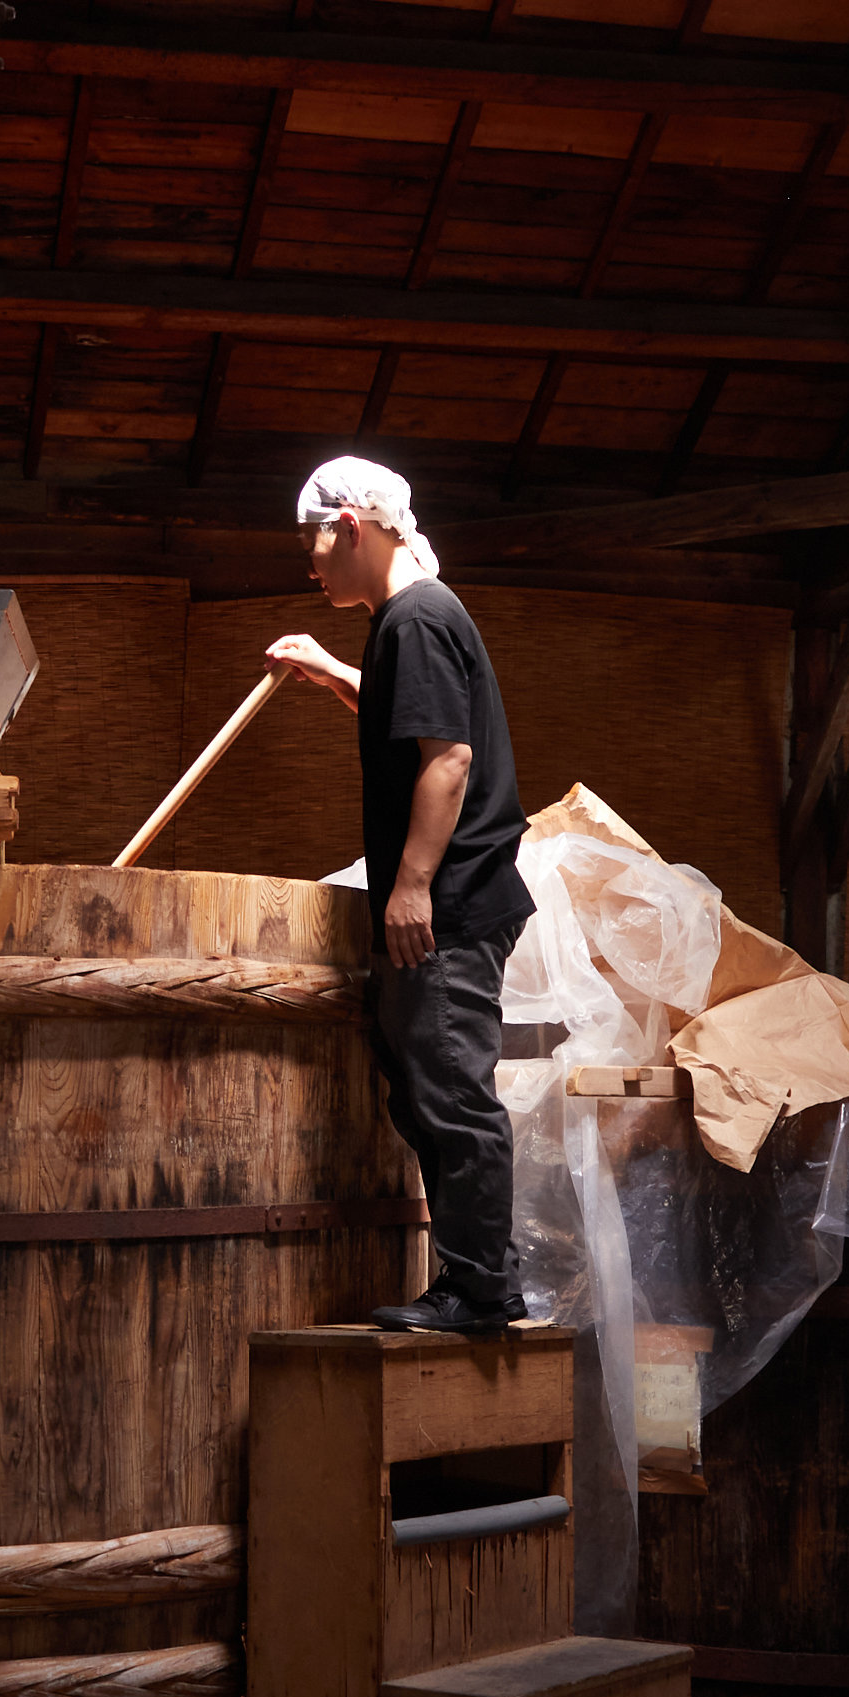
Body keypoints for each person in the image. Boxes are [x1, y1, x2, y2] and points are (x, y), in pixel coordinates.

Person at [262, 457, 534, 1334]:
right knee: (425, 1090)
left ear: (348, 524)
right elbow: (414, 723)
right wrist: (333, 672)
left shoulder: (415, 620)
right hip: (448, 904)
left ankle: (483, 1291)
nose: (310, 565)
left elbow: (447, 759)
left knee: (451, 1091)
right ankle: (477, 1280)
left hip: (447, 907)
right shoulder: (408, 619)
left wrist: (411, 886)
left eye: (313, 542)